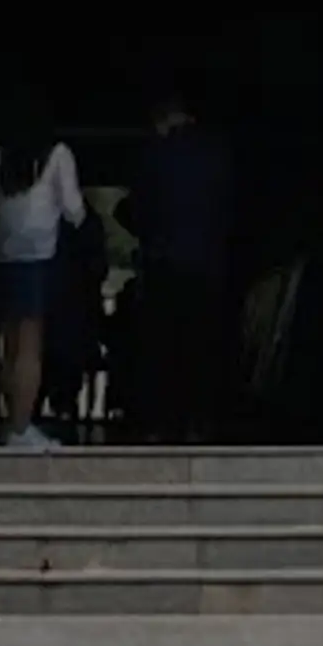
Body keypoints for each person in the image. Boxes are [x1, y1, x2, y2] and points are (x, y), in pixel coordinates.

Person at [120, 89, 237, 442]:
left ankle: (160, 422)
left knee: (163, 348)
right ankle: (199, 422)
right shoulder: (218, 154)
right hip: (207, 266)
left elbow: (135, 209)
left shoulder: (155, 154)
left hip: (164, 266)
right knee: (202, 346)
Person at [0, 92, 86, 450]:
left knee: (9, 346)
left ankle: (12, 421)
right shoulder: (57, 154)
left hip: (5, 258)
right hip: (40, 257)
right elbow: (74, 209)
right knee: (30, 347)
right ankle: (23, 429)